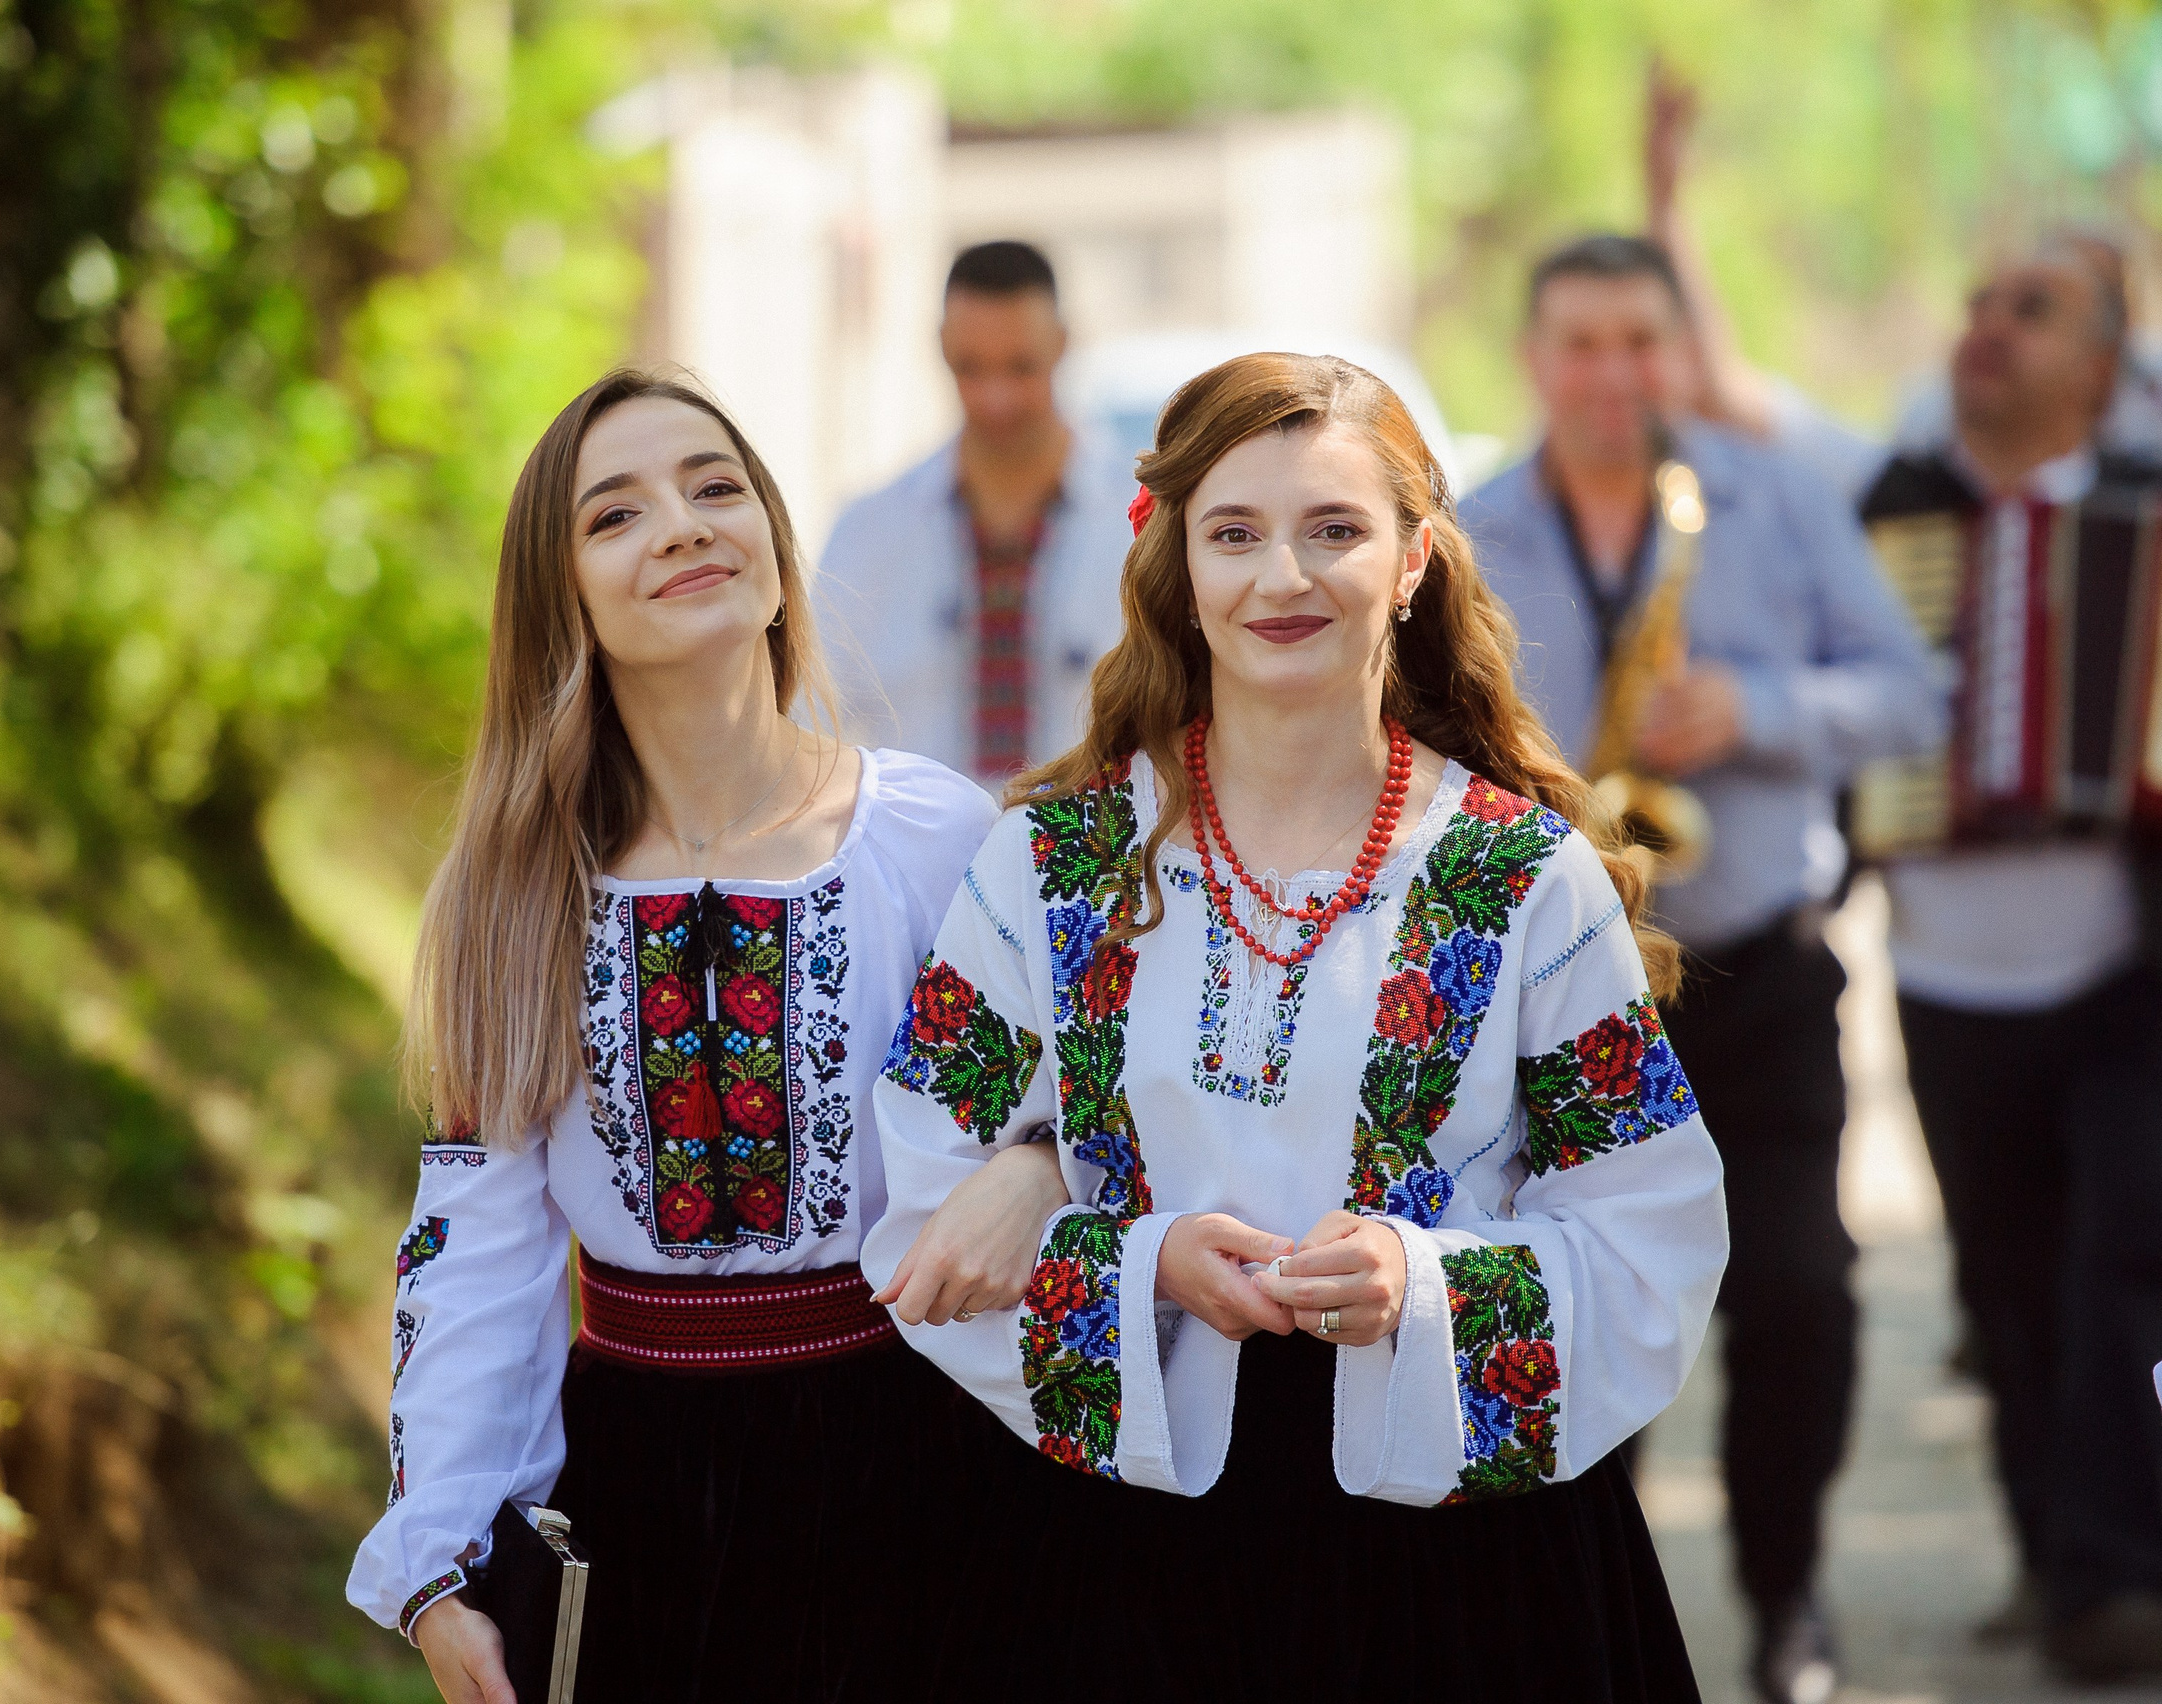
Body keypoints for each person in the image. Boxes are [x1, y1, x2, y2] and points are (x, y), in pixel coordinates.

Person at [864, 351, 1727, 1698]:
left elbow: (1653, 1229)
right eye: (1236, 533)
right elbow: (919, 1199)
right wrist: (1139, 1262)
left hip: (1453, 1566)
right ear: (1177, 567)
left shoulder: (1519, 877)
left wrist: (1421, 1282)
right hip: (1115, 1561)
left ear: (1412, 561)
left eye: (1335, 530)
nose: (1283, 577)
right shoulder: (1050, 866)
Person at [347, 369, 1071, 1703]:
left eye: (716, 487)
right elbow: (482, 1249)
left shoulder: (937, 837)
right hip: (637, 1494)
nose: (682, 524)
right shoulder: (514, 899)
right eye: (613, 514)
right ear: (560, 599)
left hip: (926, 1457)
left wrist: (1036, 1165)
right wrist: (439, 1563)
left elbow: (1076, 1103)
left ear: (779, 556)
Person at [1461, 237, 1945, 1704]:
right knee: (1571, 1301)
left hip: (1758, 974)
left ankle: (1786, 1591)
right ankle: (1592, 1609)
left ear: (1680, 353)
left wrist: (1762, 706)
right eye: (1582, 343)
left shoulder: (1778, 495)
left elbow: (1915, 692)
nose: (1614, 376)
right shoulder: (1468, 526)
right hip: (1553, 998)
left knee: (1800, 1295)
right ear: (1535, 357)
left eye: (1640, 342)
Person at [1856, 243, 2162, 1684]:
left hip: (2124, 969)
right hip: (1944, 975)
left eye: (2029, 313)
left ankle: (2110, 1572)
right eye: (1975, 304)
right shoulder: (1888, 516)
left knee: (2124, 1261)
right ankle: (2052, 1559)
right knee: (2003, 1282)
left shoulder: (2141, 519)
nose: (1986, 330)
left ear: (2100, 372)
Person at [820, 240, 1133, 782]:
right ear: (940, 349)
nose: (997, 399)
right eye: (970, 368)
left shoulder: (1142, 523)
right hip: (924, 858)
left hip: (1099, 854)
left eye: (1020, 368)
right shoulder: (870, 532)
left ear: (1063, 345)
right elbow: (810, 725)